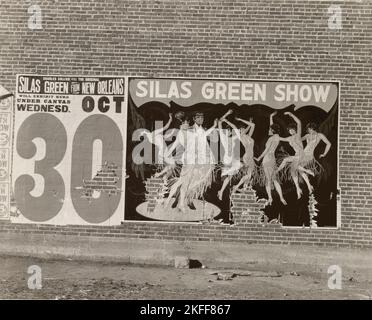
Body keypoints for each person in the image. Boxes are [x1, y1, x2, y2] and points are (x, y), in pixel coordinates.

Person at [275, 112, 314, 198]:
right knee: (294, 171)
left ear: (295, 130)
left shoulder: (298, 135)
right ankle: (307, 187)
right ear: (288, 131)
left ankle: (277, 171)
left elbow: (299, 123)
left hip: (301, 154)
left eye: (293, 129)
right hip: (296, 155)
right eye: (290, 130)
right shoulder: (289, 138)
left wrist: (291, 114)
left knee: (286, 160)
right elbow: (278, 138)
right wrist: (273, 130)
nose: (291, 131)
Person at [255, 112, 287, 205]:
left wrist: (259, 158)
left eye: (270, 129)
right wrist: (271, 117)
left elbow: (266, 150)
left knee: (268, 180)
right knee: (275, 179)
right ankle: (281, 197)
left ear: (272, 130)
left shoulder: (270, 139)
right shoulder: (277, 137)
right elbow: (272, 126)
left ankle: (270, 198)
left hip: (267, 159)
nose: (268, 130)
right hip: (272, 160)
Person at [216, 110, 241, 200]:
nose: (228, 132)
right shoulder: (223, 138)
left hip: (233, 158)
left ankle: (221, 191)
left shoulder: (233, 138)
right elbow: (219, 122)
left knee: (231, 175)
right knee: (228, 176)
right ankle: (221, 191)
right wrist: (226, 114)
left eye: (229, 131)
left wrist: (227, 121)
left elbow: (235, 129)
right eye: (226, 131)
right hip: (227, 158)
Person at [232, 117, 257, 193]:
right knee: (248, 175)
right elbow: (248, 128)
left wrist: (249, 123)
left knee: (249, 176)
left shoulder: (248, 136)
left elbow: (253, 125)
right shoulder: (241, 137)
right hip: (247, 157)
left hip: (251, 157)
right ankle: (238, 187)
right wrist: (240, 120)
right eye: (241, 129)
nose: (243, 130)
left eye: (243, 128)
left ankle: (242, 188)